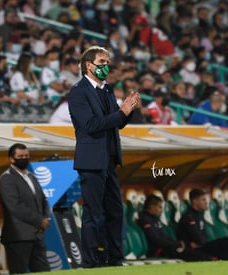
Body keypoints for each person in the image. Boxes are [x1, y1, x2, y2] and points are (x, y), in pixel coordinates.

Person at [68, 45, 140, 268]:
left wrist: (128, 111)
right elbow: (91, 125)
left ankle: (115, 259)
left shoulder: (107, 90)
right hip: (91, 161)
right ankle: (90, 262)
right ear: (88, 65)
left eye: (107, 62)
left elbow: (116, 122)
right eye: (101, 62)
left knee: (115, 211)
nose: (106, 66)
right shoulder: (78, 91)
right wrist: (121, 113)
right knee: (93, 213)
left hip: (109, 160)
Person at [0, 143, 51, 274]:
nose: (24, 158)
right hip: (18, 236)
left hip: (36, 235)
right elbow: (15, 207)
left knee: (44, 271)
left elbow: (43, 200)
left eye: (26, 156)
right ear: (11, 159)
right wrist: (39, 221)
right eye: (20, 156)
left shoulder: (31, 176)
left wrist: (45, 218)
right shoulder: (6, 178)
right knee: (19, 272)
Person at [137, 194, 211, 262]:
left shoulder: (154, 219)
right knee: (195, 256)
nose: (161, 210)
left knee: (198, 254)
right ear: (151, 206)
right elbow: (156, 240)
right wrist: (176, 243)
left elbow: (164, 238)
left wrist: (177, 243)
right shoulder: (145, 220)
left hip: (166, 248)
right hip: (157, 251)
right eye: (159, 207)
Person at [176, 188, 228, 261]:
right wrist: (193, 243)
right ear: (194, 201)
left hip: (200, 245)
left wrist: (203, 242)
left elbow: (204, 235)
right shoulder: (188, 216)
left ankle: (225, 264)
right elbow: (196, 236)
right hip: (192, 249)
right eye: (203, 200)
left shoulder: (199, 215)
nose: (206, 202)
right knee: (226, 243)